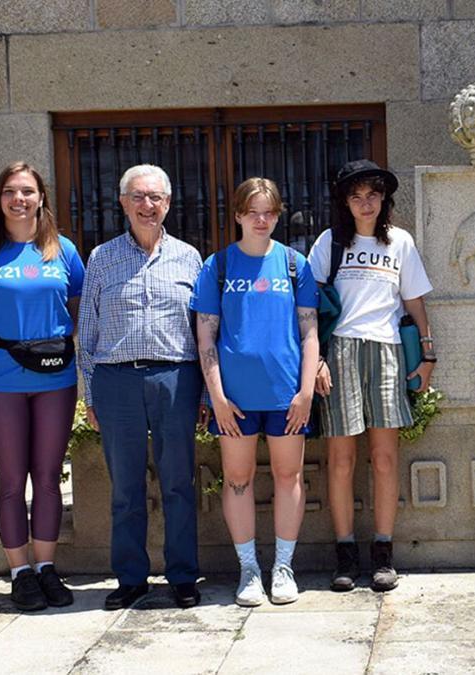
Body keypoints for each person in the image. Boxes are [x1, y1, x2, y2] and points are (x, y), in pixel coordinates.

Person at [78, 164, 207, 610]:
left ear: (169, 203)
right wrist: (90, 393)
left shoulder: (190, 257)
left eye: (156, 197)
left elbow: (203, 329)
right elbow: (87, 331)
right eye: (138, 196)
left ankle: (183, 576)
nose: (147, 205)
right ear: (123, 202)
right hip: (117, 380)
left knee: (178, 483)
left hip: (175, 376)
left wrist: (206, 392)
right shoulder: (101, 258)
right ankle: (131, 578)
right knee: (126, 487)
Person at [0, 162, 84, 611]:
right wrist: (11, 348)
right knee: (12, 480)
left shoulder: (63, 250)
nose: (19, 199)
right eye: (10, 191)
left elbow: (74, 308)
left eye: (28, 191)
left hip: (55, 377)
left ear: (41, 197)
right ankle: (20, 573)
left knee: (48, 478)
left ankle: (46, 568)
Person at [192, 177, 320, 606]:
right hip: (235, 400)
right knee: (239, 479)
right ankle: (248, 570)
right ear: (238, 215)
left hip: (286, 396)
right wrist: (217, 397)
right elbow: (205, 339)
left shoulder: (294, 265)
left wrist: (305, 392)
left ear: (279, 214)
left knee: (289, 477)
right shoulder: (218, 266)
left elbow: (309, 333)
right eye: (252, 212)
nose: (261, 220)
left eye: (268, 212)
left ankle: (283, 567)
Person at [308, 159, 435, 593]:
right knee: (341, 460)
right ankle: (345, 554)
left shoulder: (399, 242)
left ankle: (383, 552)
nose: (366, 203)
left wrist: (429, 354)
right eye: (357, 195)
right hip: (340, 351)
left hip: (387, 351)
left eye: (373, 195)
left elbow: (415, 303)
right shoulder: (330, 243)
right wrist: (317, 360)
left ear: (384, 200)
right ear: (345, 201)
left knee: (384, 458)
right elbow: (310, 308)